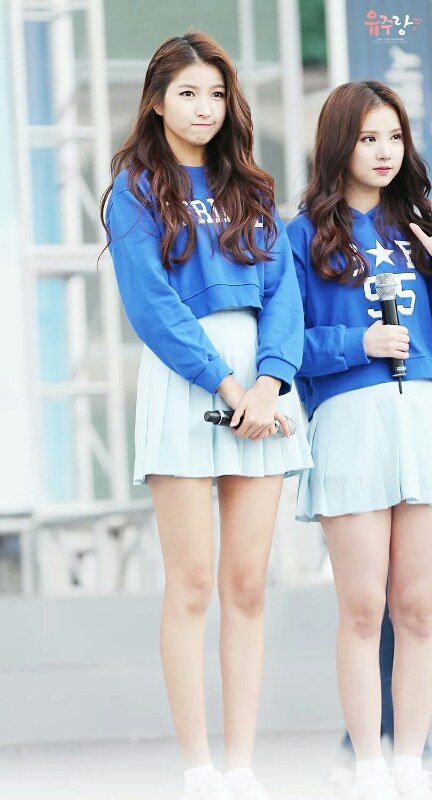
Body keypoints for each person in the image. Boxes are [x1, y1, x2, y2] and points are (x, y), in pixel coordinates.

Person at [101, 30, 312, 800]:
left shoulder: (249, 187)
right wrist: (227, 386)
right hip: (189, 385)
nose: (204, 108)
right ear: (156, 102)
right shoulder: (134, 188)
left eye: (217, 94)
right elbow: (152, 305)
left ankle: (242, 765)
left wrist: (270, 383)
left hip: (262, 391)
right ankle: (198, 769)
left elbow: (284, 294)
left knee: (247, 585)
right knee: (190, 585)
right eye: (188, 93)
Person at [286, 81, 432, 800]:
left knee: (419, 607)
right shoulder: (302, 235)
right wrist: (357, 343)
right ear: (339, 142)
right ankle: (368, 764)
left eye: (394, 137)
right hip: (349, 421)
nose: (384, 152)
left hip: (422, 419)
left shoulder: (422, 229)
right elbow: (283, 346)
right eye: (369, 137)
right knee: (363, 607)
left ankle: (411, 763)